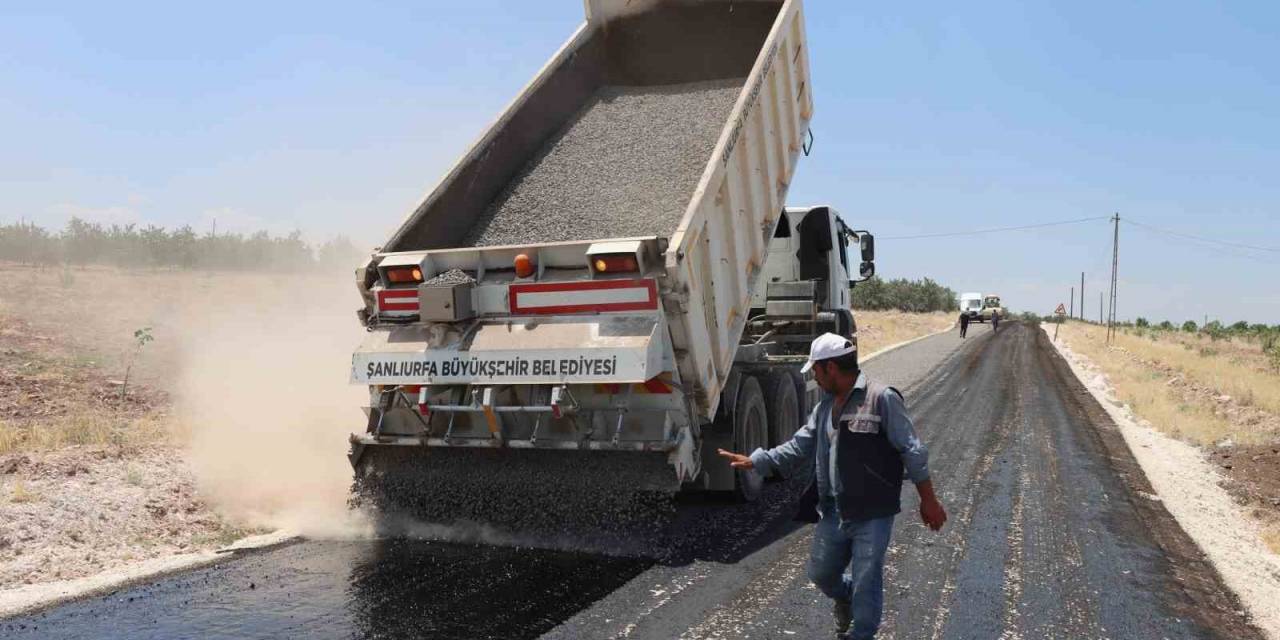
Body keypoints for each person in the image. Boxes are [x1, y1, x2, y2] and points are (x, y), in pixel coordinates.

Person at [718, 333, 947, 639]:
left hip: (873, 513)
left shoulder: (882, 398)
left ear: (831, 368)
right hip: (833, 511)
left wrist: (928, 500)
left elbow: (913, 450)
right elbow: (800, 445)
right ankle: (845, 596)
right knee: (822, 574)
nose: (814, 376)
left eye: (816, 370)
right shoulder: (825, 407)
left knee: (868, 580)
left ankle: (861, 632)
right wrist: (758, 461)